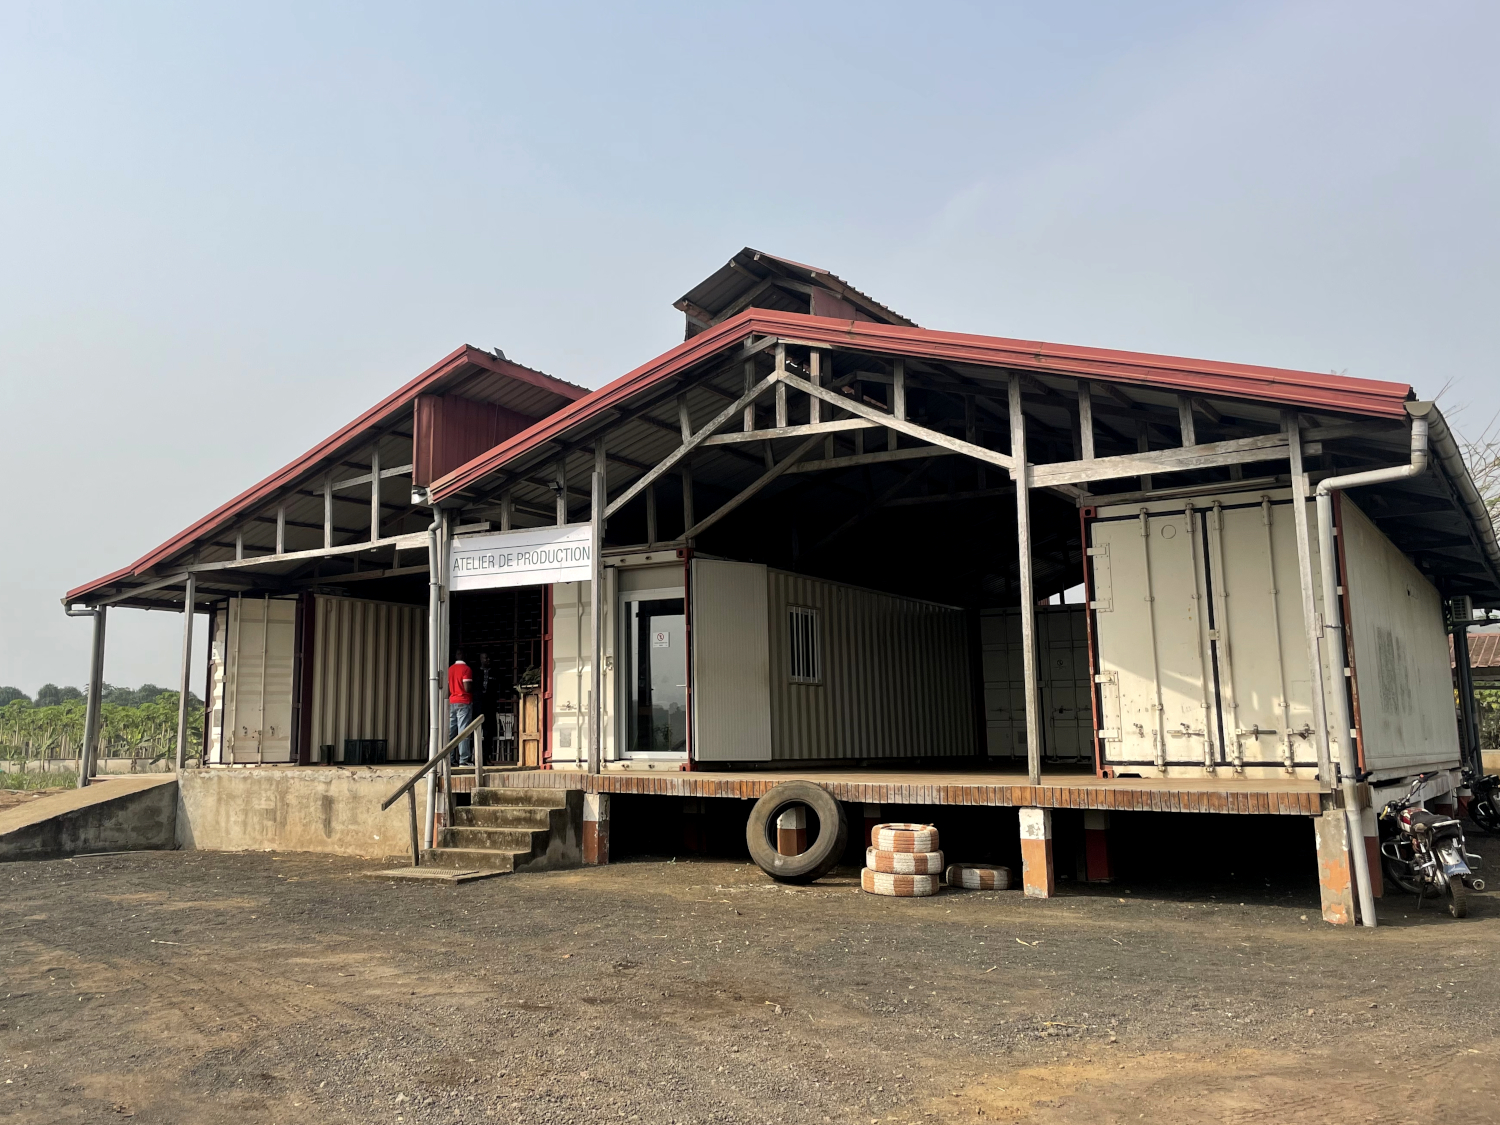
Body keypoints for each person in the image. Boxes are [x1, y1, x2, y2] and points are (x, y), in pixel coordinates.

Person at [447, 650, 475, 767]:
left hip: (452, 701)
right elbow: (467, 687)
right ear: (465, 656)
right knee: (463, 731)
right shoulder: (466, 669)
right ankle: (464, 759)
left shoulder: (450, 669)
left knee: (451, 732)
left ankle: (450, 758)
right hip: (463, 701)